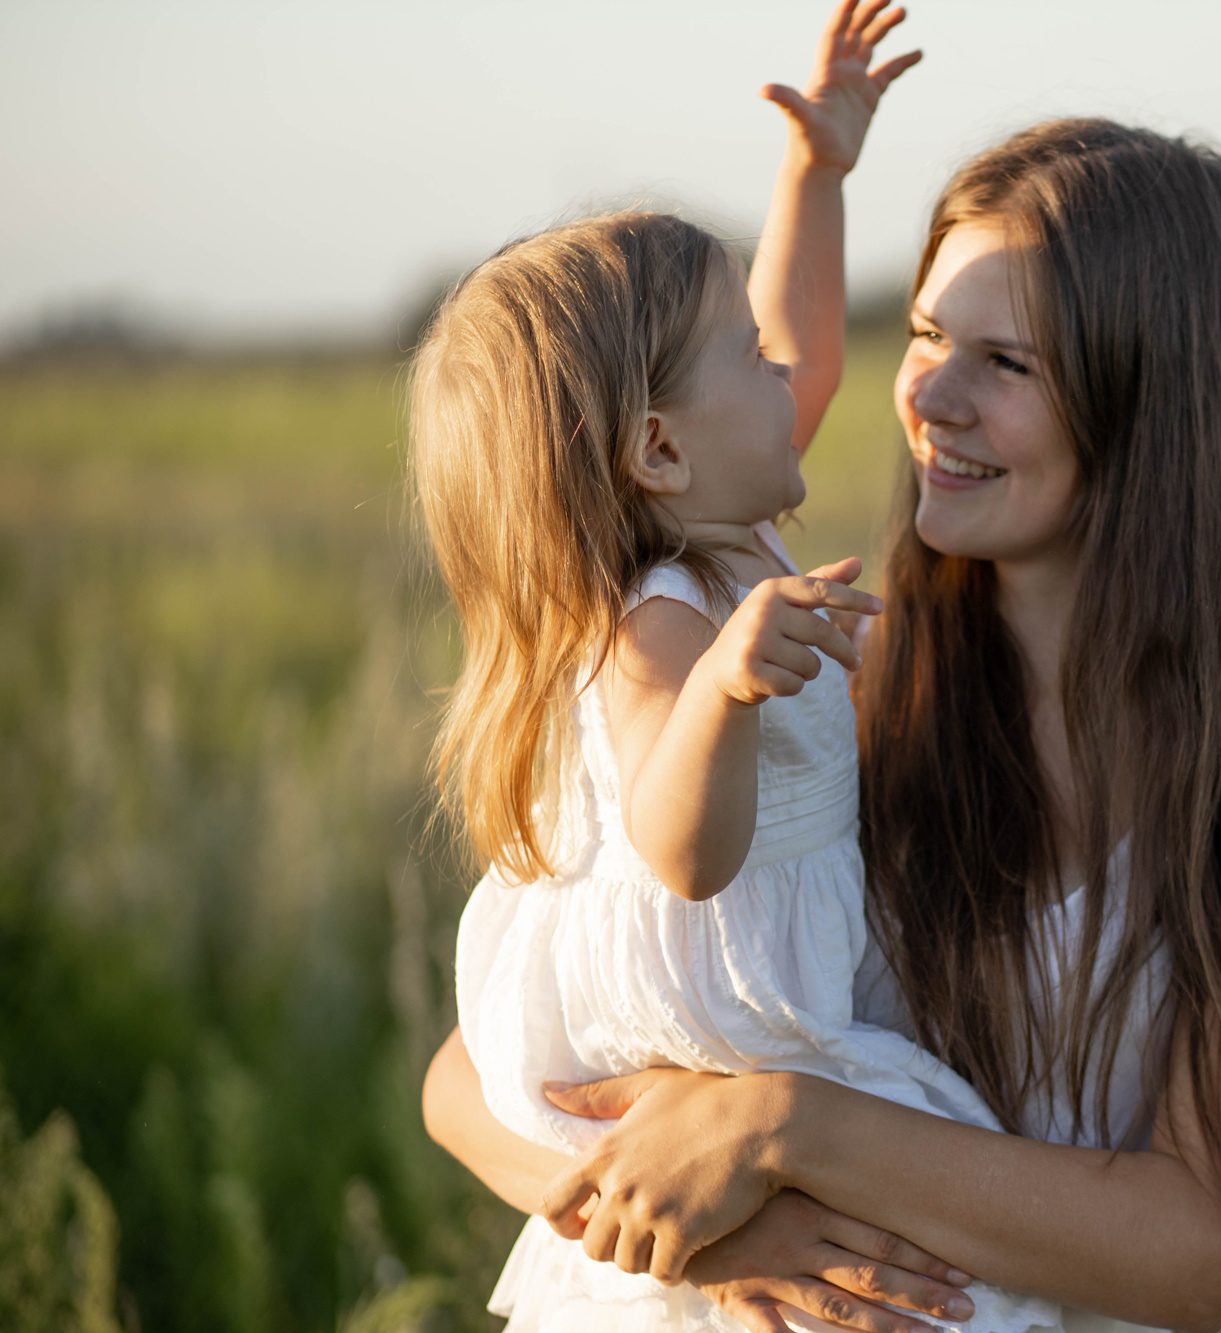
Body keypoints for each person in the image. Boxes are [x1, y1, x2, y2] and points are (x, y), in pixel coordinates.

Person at [425, 114, 1221, 1333]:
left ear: (1159, 402)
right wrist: (694, 1232)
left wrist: (783, 1126)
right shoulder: (821, 688)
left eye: (1007, 364)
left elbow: (1196, 1254)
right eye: (924, 334)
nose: (929, 393)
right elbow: (469, 1080)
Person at [408, 6, 1061, 1331]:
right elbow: (680, 848)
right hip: (735, 1046)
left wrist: (814, 175)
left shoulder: (730, 535)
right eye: (745, 363)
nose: (796, 375)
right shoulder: (661, 621)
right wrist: (721, 690)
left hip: (769, 1038)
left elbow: (802, 339)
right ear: (659, 453)